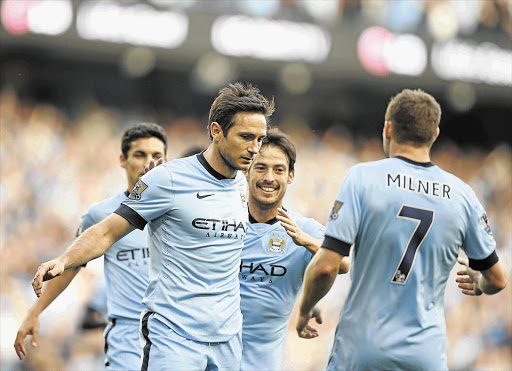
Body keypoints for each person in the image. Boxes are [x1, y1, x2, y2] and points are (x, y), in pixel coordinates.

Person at [32, 82, 274, 370]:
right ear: (216, 131)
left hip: (228, 338)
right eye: (246, 137)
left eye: (260, 139)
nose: (254, 148)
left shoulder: (241, 185)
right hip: (175, 337)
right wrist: (64, 259)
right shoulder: (167, 179)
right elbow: (109, 230)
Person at [296, 89, 507, 370]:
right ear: (434, 134)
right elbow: (497, 279)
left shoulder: (363, 178)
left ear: (388, 128)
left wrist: (305, 309)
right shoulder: (462, 194)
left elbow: (326, 267)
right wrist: (479, 285)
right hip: (426, 356)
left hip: (363, 350)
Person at [15, 122, 168, 369]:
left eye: (156, 155)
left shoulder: (179, 213)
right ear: (122, 160)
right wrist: (35, 312)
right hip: (125, 339)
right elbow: (70, 267)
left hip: (171, 337)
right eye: (140, 154)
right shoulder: (102, 214)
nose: (147, 162)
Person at [240, 128, 349, 370]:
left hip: (262, 363)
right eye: (260, 167)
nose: (269, 177)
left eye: (278, 169)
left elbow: (342, 264)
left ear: (290, 176)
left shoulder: (305, 228)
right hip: (212, 357)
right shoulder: (226, 223)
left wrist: (305, 241)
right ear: (246, 171)